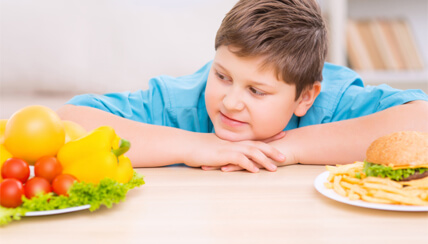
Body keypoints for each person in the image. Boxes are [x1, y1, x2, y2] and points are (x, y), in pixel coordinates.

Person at [57, 0, 428, 173]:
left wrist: (293, 148)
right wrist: (197, 145)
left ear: (305, 97)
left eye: (257, 91)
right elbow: (67, 122)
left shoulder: (331, 102)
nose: (230, 102)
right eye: (222, 76)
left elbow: (422, 121)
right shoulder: (184, 101)